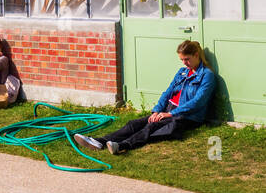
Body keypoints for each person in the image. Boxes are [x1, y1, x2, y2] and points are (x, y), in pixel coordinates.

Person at [76, 41, 217, 155]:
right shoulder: (182, 72)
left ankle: (122, 146)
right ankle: (99, 142)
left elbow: (198, 101)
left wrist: (171, 113)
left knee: (152, 126)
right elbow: (167, 92)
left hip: (187, 116)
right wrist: (156, 111)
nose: (184, 63)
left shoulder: (207, 75)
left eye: (187, 59)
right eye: (182, 60)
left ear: (196, 55)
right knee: (134, 124)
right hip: (169, 109)